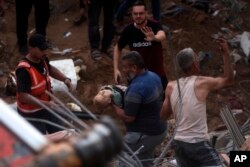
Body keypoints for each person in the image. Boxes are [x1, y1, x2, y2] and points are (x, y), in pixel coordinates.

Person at [160, 38, 234, 167]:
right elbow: (228, 80)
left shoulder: (171, 86)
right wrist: (225, 54)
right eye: (196, 58)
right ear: (195, 64)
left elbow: (163, 115)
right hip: (197, 143)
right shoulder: (202, 82)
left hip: (179, 143)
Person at [112, 51, 166, 167]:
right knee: (144, 159)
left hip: (146, 132)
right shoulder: (153, 76)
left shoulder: (136, 88)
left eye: (125, 67)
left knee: (122, 151)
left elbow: (128, 118)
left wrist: (112, 104)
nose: (123, 71)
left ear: (134, 67)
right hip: (159, 128)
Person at [15, 34, 73, 134]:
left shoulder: (42, 58)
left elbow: (49, 69)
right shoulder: (24, 71)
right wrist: (48, 104)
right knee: (40, 143)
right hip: (31, 115)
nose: (45, 52)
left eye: (45, 49)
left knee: (60, 134)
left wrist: (65, 79)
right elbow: (23, 97)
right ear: (31, 48)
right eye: (41, 50)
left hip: (47, 108)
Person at [113, 1, 168, 90]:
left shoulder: (154, 25)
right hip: (137, 77)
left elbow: (162, 35)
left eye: (141, 13)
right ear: (132, 14)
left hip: (157, 74)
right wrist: (115, 69)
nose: (138, 16)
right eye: (135, 14)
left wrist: (154, 38)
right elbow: (117, 47)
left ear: (146, 13)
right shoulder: (128, 30)